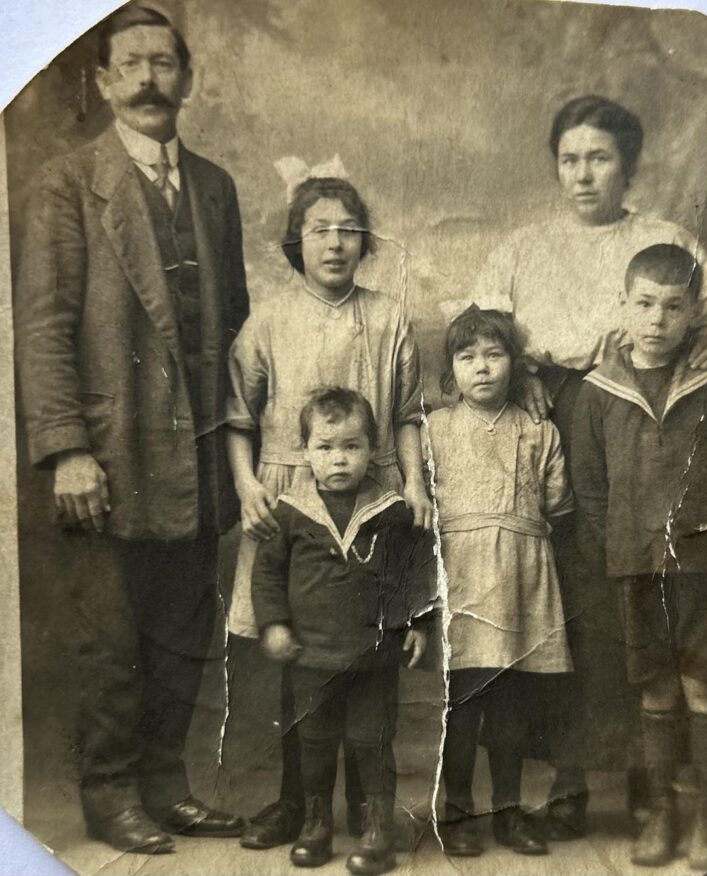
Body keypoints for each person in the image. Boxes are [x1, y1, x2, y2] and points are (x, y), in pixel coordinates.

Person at [474, 94, 707, 836]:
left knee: (636, 612)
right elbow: (482, 329)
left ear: (628, 165)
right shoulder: (524, 247)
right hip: (548, 427)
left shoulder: (664, 239)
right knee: (569, 609)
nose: (583, 174)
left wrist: (667, 367)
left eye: (599, 158)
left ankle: (651, 788)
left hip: (640, 424)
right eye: (569, 160)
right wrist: (525, 375)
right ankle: (569, 784)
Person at [15, 6, 248, 854]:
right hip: (110, 453)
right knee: (111, 639)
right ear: (105, 82)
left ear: (186, 79)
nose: (150, 79)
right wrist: (68, 449)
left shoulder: (214, 187)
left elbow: (236, 326)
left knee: (183, 633)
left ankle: (165, 785)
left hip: (199, 455)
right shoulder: (67, 183)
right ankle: (109, 794)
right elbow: (43, 327)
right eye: (132, 64)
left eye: (164, 63)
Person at [226, 176, 432, 848]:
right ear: (298, 241)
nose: (335, 242)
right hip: (291, 494)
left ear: (364, 240)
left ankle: (367, 812)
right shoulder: (268, 320)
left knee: (363, 651)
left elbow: (407, 414)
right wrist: (246, 487)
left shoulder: (390, 317)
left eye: (348, 229)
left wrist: (414, 483)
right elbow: (237, 417)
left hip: (371, 490)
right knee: (302, 650)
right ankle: (299, 807)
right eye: (320, 229)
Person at [571, 244, 707, 870]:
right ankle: (663, 812)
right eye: (644, 304)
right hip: (637, 565)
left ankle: (706, 815)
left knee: (706, 685)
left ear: (694, 313)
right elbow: (590, 488)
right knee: (657, 688)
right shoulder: (598, 391)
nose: (657, 320)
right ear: (623, 305)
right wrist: (617, 550)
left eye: (673, 307)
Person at [251, 387, 435, 874]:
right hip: (311, 656)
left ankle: (377, 830)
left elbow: (416, 569)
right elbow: (267, 575)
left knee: (371, 741)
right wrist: (274, 624)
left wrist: (419, 622)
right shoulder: (291, 512)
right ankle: (316, 824)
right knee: (313, 742)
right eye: (326, 447)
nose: (339, 459)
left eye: (352, 446)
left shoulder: (390, 510)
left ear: (372, 449)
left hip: (373, 655)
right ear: (305, 452)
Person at [427, 307, 574, 858]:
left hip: (520, 581)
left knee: (512, 707)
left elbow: (558, 503)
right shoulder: (434, 431)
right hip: (462, 582)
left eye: (494, 355)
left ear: (515, 363)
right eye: (467, 357)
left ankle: (509, 813)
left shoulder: (538, 430)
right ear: (451, 369)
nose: (482, 368)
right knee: (463, 707)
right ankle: (457, 813)